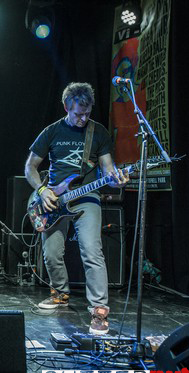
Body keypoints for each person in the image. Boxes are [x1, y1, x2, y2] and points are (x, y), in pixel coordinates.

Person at [25, 82, 129, 335]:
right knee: (51, 253)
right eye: (78, 114)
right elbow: (30, 167)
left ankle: (99, 310)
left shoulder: (98, 132)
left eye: (87, 113)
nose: (83, 119)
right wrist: (42, 190)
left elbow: (108, 170)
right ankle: (60, 293)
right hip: (54, 199)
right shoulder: (51, 132)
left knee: (92, 250)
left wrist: (116, 179)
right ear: (66, 107)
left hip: (86, 196)